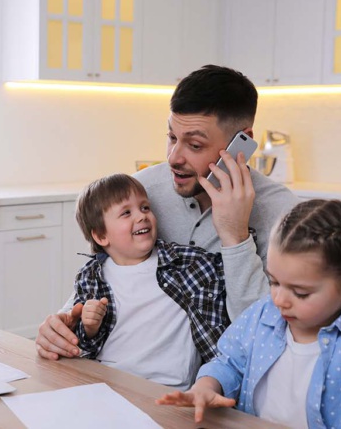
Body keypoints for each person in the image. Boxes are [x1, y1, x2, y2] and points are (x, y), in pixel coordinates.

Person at [36, 65, 299, 361]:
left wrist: (236, 238)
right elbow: (105, 274)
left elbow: (268, 335)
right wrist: (62, 322)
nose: (174, 158)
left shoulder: (282, 215)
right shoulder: (143, 192)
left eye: (195, 144)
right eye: (172, 137)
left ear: (242, 141)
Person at [157, 199, 341, 428]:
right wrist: (206, 387)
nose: (279, 300)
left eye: (300, 293)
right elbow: (229, 362)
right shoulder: (263, 313)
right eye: (274, 282)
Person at [73, 173, 228, 389]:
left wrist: (235, 229)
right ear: (101, 236)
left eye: (145, 207)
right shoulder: (91, 277)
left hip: (168, 388)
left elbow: (232, 268)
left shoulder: (188, 264)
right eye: (126, 213)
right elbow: (82, 346)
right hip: (106, 383)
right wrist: (89, 327)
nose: (141, 216)